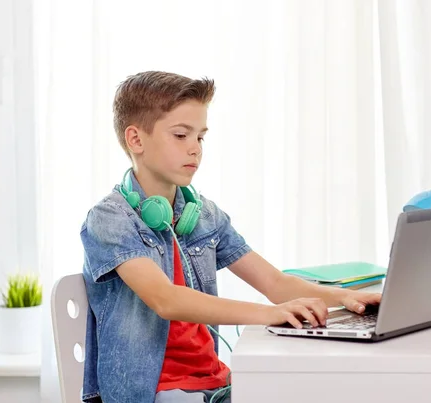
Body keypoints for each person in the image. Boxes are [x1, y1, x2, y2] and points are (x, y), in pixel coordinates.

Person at [80, 71, 381, 403]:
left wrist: (347, 300)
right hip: (154, 391)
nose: (195, 149)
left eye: (200, 137)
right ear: (136, 140)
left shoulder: (202, 214)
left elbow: (276, 285)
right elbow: (166, 300)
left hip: (212, 381)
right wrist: (269, 314)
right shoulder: (110, 218)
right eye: (181, 135)